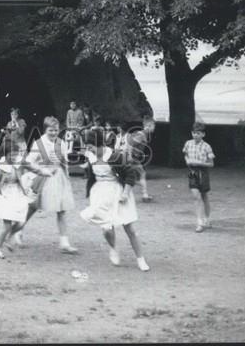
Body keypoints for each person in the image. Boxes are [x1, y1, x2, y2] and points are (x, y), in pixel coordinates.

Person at [80, 129, 150, 271]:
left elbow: (131, 173)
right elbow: (91, 175)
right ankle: (113, 248)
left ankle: (141, 259)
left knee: (129, 228)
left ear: (99, 144)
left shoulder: (115, 156)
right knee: (106, 229)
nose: (88, 149)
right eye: (87, 146)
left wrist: (125, 193)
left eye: (90, 146)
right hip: (100, 193)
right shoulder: (90, 156)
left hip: (118, 191)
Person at [17, 116, 78, 254]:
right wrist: (40, 171)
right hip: (43, 178)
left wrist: (67, 176)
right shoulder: (39, 144)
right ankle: (18, 230)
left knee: (61, 210)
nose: (54, 133)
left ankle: (64, 242)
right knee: (32, 207)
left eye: (56, 130)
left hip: (58, 178)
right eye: (51, 130)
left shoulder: (61, 143)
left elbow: (64, 161)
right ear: (45, 130)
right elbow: (29, 161)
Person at [0, 138, 51, 258]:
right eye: (11, 155)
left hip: (18, 193)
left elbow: (34, 168)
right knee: (6, 224)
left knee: (21, 222)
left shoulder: (20, 161)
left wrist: (45, 172)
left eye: (16, 154)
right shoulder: (0, 166)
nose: (14, 157)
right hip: (5, 195)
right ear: (5, 154)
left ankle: (9, 237)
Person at [183, 123, 215, 232]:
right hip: (192, 172)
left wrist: (198, 162)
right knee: (196, 196)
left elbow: (211, 164)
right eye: (194, 133)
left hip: (203, 172)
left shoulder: (207, 146)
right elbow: (186, 154)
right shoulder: (188, 144)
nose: (195, 135)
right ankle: (199, 222)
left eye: (198, 133)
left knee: (204, 196)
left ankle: (207, 219)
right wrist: (187, 160)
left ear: (203, 134)